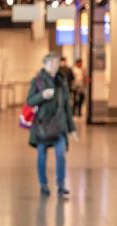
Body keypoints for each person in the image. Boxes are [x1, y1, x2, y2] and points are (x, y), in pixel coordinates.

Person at [26, 52, 77, 197]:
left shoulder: (62, 81)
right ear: (45, 64)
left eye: (57, 62)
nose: (55, 65)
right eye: (52, 62)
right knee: (42, 155)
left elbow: (67, 106)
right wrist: (42, 96)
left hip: (59, 125)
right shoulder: (38, 81)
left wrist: (72, 128)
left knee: (61, 155)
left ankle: (61, 186)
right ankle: (43, 184)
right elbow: (29, 101)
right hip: (43, 125)